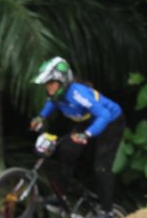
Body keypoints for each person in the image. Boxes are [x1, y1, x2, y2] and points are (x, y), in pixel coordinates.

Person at [30, 56, 125, 218]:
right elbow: (51, 103)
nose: (49, 89)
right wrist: (41, 117)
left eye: (52, 84)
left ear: (62, 82)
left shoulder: (77, 94)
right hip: (88, 120)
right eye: (47, 85)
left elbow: (104, 114)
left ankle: (108, 211)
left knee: (101, 167)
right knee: (66, 150)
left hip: (111, 121)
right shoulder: (56, 95)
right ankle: (61, 197)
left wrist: (86, 134)